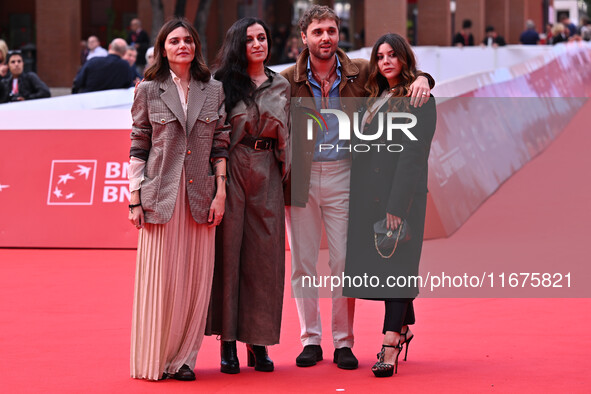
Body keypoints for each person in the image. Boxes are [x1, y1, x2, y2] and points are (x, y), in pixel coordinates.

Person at [280, 4, 433, 371]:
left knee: (343, 263)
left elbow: (396, 68)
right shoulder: (286, 80)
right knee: (302, 263)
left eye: (331, 30)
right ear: (304, 37)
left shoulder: (358, 70)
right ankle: (310, 339)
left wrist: (425, 78)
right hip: (300, 177)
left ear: (338, 33)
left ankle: (343, 342)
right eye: (317, 32)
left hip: (344, 175)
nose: (326, 38)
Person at [128, 17, 230, 381]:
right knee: (162, 281)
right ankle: (156, 357)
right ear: (163, 49)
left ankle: (185, 359)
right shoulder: (148, 90)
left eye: (188, 40)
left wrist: (220, 193)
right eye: (174, 41)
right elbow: (139, 144)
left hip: (202, 197)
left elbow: (220, 144)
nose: (182, 45)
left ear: (196, 47)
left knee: (195, 279)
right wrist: (134, 199)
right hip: (160, 197)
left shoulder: (213, 90)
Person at [344, 33, 437, 378]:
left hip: (402, 198)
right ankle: (405, 327)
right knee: (389, 264)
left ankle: (390, 343)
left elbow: (414, 156)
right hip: (371, 198)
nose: (385, 61)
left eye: (392, 55)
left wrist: (397, 206)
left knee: (398, 267)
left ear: (404, 59)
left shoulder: (418, 98)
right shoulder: (375, 96)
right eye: (380, 56)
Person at [205, 17, 290, 374]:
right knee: (229, 254)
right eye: (250, 39)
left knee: (265, 259)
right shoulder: (220, 84)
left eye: (263, 37)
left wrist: (424, 78)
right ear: (238, 44)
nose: (258, 43)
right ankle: (227, 343)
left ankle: (259, 342)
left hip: (269, 167)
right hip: (233, 166)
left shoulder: (282, 83)